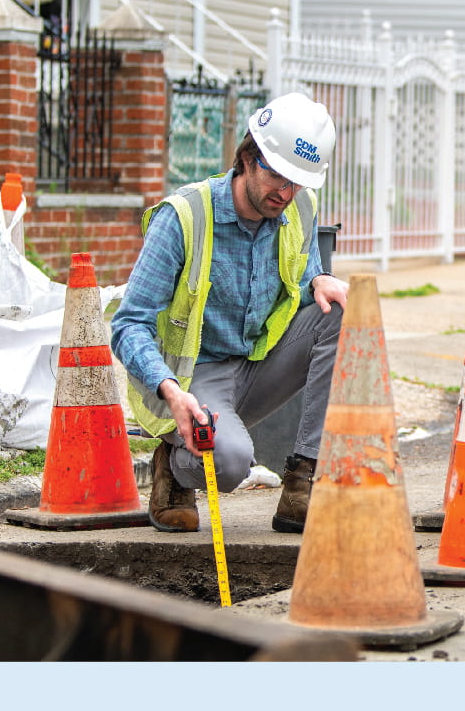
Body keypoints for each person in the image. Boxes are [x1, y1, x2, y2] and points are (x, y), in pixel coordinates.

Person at [111, 93, 348, 533]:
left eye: (298, 182)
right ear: (248, 157)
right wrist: (170, 391)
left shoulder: (299, 207)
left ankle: (303, 481)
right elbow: (128, 325)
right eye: (277, 175)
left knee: (339, 311)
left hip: (262, 363)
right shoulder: (184, 217)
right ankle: (173, 462)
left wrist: (319, 279)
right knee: (231, 464)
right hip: (197, 377)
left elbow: (304, 268)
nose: (286, 192)